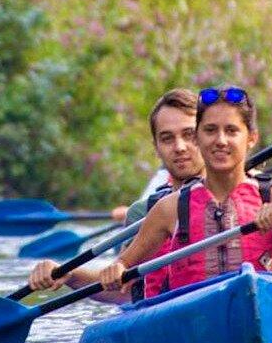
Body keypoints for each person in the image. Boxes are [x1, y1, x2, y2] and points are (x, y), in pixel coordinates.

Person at [97, 85, 272, 297]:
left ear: (251, 138)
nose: (220, 140)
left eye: (231, 131)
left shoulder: (269, 194)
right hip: (194, 318)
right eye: (210, 130)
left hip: (264, 304)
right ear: (197, 138)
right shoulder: (169, 208)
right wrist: (115, 270)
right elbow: (124, 265)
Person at [27, 88, 205, 303]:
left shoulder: (250, 191)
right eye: (167, 139)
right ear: (156, 148)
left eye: (190, 135)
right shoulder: (143, 212)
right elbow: (125, 290)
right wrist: (69, 274)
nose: (179, 147)